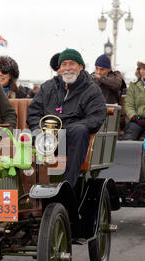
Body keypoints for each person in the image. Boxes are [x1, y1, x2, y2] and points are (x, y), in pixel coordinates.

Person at [27, 48, 106, 188]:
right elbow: (34, 112)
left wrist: (64, 129)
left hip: (70, 138)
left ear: (80, 67)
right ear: (59, 69)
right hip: (45, 138)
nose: (67, 68)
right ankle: (25, 189)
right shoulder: (47, 87)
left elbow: (95, 118)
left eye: (72, 64)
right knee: (22, 137)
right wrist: (40, 131)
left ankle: (67, 185)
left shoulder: (91, 89)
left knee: (80, 130)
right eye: (64, 64)